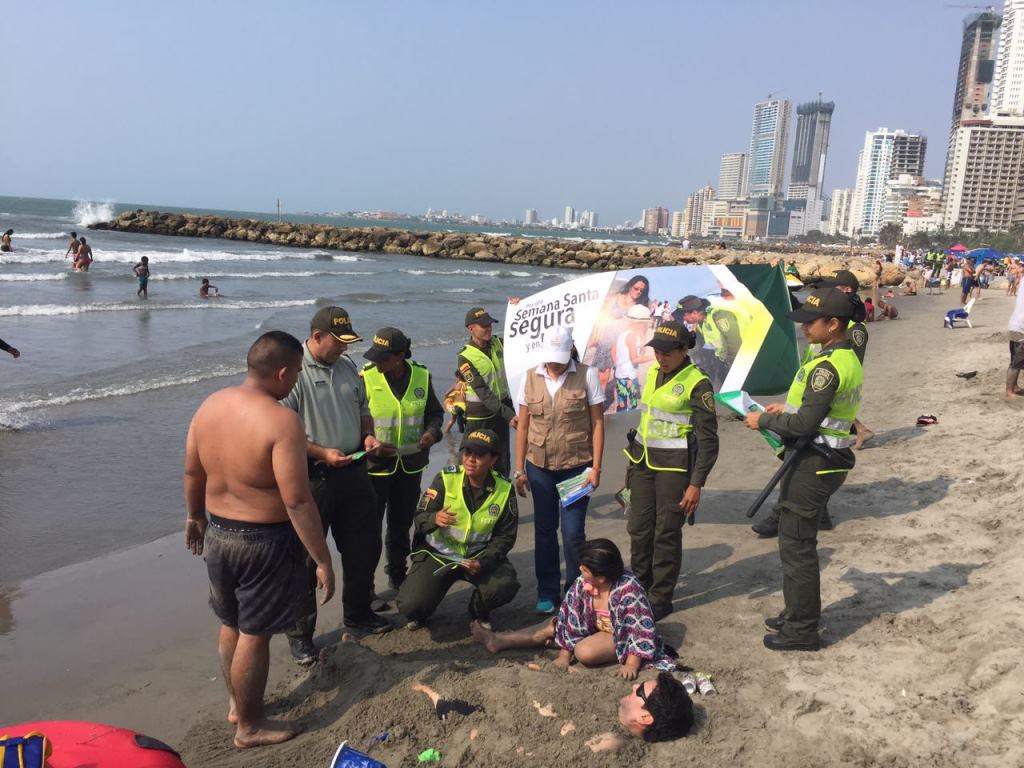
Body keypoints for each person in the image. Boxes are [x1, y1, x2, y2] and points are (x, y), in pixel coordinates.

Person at [183, 331, 336, 748]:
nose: (296, 381)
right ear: (283, 373)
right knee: (256, 633)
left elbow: (193, 472)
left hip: (218, 532)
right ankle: (249, 726)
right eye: (297, 374)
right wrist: (321, 558)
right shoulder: (282, 420)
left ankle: (237, 705)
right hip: (262, 541)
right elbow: (298, 500)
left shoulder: (209, 405)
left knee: (230, 622)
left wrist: (195, 516)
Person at [744, 287, 863, 652]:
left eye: (811, 323)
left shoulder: (828, 367)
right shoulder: (842, 357)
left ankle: (801, 629)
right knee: (795, 543)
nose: (804, 328)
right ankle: (796, 612)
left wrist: (762, 420)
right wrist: (787, 410)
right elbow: (812, 413)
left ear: (833, 324)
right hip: (821, 459)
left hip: (816, 462)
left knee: (797, 547)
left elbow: (805, 427)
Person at [280, 306, 389, 666]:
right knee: (307, 556)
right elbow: (283, 432)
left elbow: (363, 409)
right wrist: (320, 452)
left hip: (354, 469)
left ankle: (358, 613)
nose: (343, 349)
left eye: (347, 342)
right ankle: (301, 635)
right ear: (316, 337)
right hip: (314, 475)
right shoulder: (295, 374)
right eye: (337, 343)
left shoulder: (346, 367)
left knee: (365, 544)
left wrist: (369, 436)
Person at [472, 538, 677, 678]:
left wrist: (632, 663)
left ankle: (510, 640)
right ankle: (498, 640)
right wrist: (563, 656)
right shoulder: (582, 583)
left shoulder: (629, 590)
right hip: (591, 627)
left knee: (584, 652)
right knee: (549, 626)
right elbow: (571, 618)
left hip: (617, 635)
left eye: (585, 569)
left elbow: (639, 630)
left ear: (601, 577)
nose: (580, 570)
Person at [624, 321, 719, 620]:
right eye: (656, 351)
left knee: (665, 532)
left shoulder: (697, 382)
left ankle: (661, 597)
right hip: (641, 463)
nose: (660, 357)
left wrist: (696, 484)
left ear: (683, 350)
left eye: (667, 352)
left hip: (674, 468)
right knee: (638, 528)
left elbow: (709, 441)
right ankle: (640, 586)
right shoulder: (653, 373)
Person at [513, 327, 605, 614]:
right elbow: (523, 425)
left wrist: (596, 468)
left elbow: (598, 424)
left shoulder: (587, 375)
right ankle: (547, 591)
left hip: (577, 467)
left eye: (560, 358)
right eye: (550, 358)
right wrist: (518, 469)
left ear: (570, 351)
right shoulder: (530, 377)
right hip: (539, 466)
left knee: (573, 532)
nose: (554, 364)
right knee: (544, 530)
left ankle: (574, 590)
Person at [396, 428, 519, 630]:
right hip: (439, 555)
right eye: (468, 453)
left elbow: (505, 537)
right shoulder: (445, 479)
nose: (471, 460)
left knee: (505, 586)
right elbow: (419, 518)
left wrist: (483, 561)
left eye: (479, 455)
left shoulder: (504, 489)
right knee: (410, 605)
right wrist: (434, 518)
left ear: (493, 459)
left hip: (476, 556)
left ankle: (478, 609)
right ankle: (422, 611)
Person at [361, 327, 444, 596]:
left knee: (401, 524)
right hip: (375, 467)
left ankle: (397, 576)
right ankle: (366, 589)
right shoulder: (365, 378)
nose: (377, 363)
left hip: (410, 464)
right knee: (369, 528)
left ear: (399, 356)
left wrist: (432, 433)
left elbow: (434, 413)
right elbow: (355, 417)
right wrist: (368, 438)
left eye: (382, 358)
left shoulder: (421, 375)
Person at [457, 307, 516, 476]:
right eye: (484, 326)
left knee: (502, 460)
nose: (489, 328)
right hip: (479, 417)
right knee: (472, 461)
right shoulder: (465, 357)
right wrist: (510, 415)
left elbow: (523, 344)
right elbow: (482, 392)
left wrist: (518, 308)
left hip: (501, 413)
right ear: (471, 329)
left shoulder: (499, 343)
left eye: (490, 324)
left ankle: (501, 496)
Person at [611, 304, 655, 412]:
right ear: (641, 323)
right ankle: (627, 426)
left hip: (620, 375)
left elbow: (613, 350)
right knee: (632, 405)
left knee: (621, 403)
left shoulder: (623, 334)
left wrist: (618, 365)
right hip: (629, 377)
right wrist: (653, 357)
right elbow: (634, 359)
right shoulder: (632, 336)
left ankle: (620, 424)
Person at [1007, 276, 1024, 397]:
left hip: (1015, 325)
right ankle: (1009, 391)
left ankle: (1015, 387)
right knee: (1016, 362)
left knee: (1016, 360)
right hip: (1021, 328)